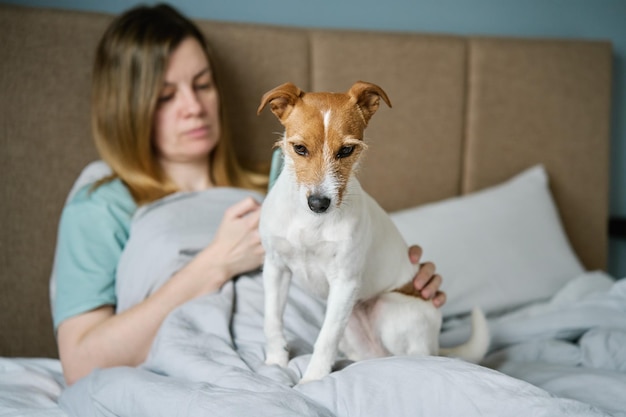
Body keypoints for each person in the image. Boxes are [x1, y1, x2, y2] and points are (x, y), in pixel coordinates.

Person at [52, 4, 447, 386]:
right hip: (233, 367)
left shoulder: (281, 177)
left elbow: (352, 246)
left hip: (336, 358)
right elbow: (81, 362)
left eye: (203, 84)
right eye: (165, 94)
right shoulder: (103, 200)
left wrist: (402, 280)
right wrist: (214, 263)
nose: (193, 106)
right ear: (123, 107)